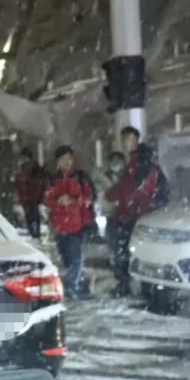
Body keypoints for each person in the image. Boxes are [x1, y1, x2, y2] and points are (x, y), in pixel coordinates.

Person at [105, 126, 168, 297]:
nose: (126, 143)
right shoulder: (140, 161)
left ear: (135, 140)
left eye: (129, 139)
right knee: (135, 251)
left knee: (125, 252)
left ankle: (128, 285)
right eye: (124, 139)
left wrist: (114, 195)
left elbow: (130, 189)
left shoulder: (139, 163)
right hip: (137, 214)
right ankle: (143, 287)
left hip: (133, 215)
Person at [44, 145, 94, 300]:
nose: (66, 162)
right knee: (67, 259)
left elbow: (89, 198)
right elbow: (47, 200)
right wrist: (58, 201)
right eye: (62, 159)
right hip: (60, 227)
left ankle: (73, 288)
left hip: (78, 226)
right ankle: (76, 285)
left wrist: (73, 200)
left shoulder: (81, 178)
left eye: (69, 158)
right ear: (57, 162)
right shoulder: (52, 180)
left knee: (75, 259)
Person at [14, 148, 46, 240]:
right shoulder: (24, 169)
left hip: (31, 198)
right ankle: (35, 234)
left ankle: (35, 234)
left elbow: (34, 183)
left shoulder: (29, 169)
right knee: (32, 217)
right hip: (30, 198)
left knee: (32, 217)